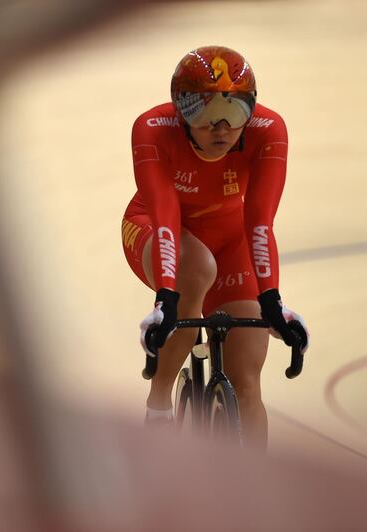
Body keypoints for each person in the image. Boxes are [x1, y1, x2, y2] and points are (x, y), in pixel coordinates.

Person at [120, 45, 310, 449]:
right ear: (180, 113)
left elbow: (259, 221)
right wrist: (166, 298)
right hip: (157, 228)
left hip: (230, 236)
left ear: (252, 110)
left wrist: (274, 304)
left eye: (235, 113)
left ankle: (255, 491)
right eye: (204, 116)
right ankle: (159, 406)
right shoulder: (152, 128)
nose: (221, 128)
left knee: (247, 380)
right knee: (199, 269)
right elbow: (166, 214)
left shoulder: (268, 130)